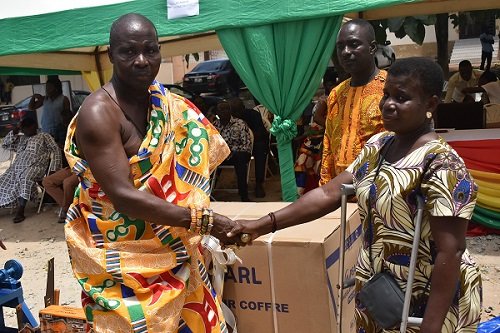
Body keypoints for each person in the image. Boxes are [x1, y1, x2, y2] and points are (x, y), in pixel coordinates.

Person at [229, 58, 481, 332]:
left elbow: (451, 250)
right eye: (386, 95)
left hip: (427, 300)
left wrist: (431, 327)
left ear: (430, 104)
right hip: (382, 291)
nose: (388, 104)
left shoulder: (441, 164)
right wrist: (258, 226)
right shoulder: (378, 146)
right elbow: (327, 193)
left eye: (402, 98)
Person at [63, 13, 240, 332]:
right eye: (129, 52)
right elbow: (124, 198)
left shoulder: (168, 106)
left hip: (178, 252)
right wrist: (205, 221)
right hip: (125, 265)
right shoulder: (98, 113)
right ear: (110, 55)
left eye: (151, 50)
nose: (142, 60)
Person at [319, 19, 385, 185]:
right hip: (339, 194)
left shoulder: (390, 89)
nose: (345, 52)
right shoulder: (336, 93)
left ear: (372, 47)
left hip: (378, 191)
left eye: (354, 44)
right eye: (340, 46)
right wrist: (326, 186)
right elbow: (328, 145)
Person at [0, 117, 62, 223]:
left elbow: (55, 149)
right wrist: (15, 130)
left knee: (25, 178)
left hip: (35, 167)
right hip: (16, 168)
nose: (23, 131)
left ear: (33, 127)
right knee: (3, 180)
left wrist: (53, 169)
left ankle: (21, 210)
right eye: (22, 129)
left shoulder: (43, 136)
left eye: (25, 128)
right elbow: (5, 144)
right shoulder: (21, 138)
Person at [229, 97, 269, 198]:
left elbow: (261, 133)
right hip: (235, 146)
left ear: (243, 107)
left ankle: (259, 184)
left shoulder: (253, 115)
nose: (236, 113)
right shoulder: (228, 118)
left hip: (253, 142)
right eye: (234, 111)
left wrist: (247, 135)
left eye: (238, 110)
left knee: (260, 148)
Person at [213, 101, 253, 201]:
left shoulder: (240, 124)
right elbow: (212, 144)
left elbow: (246, 145)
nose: (224, 112)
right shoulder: (214, 126)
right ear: (217, 112)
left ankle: (244, 195)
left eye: (226, 109)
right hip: (221, 155)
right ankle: (207, 192)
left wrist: (231, 151)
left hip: (238, 154)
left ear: (230, 111)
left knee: (240, 159)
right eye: (221, 109)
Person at [294, 99, 327, 196]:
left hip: (319, 140)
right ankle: (303, 192)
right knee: (305, 165)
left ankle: (310, 192)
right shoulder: (324, 101)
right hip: (315, 140)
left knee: (315, 167)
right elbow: (316, 118)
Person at [29, 77, 71, 145]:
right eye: (46, 87)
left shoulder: (64, 99)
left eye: (49, 87)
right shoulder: (45, 99)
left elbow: (68, 115)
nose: (47, 89)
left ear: (56, 88)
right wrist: (33, 97)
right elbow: (31, 108)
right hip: (46, 130)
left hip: (59, 131)